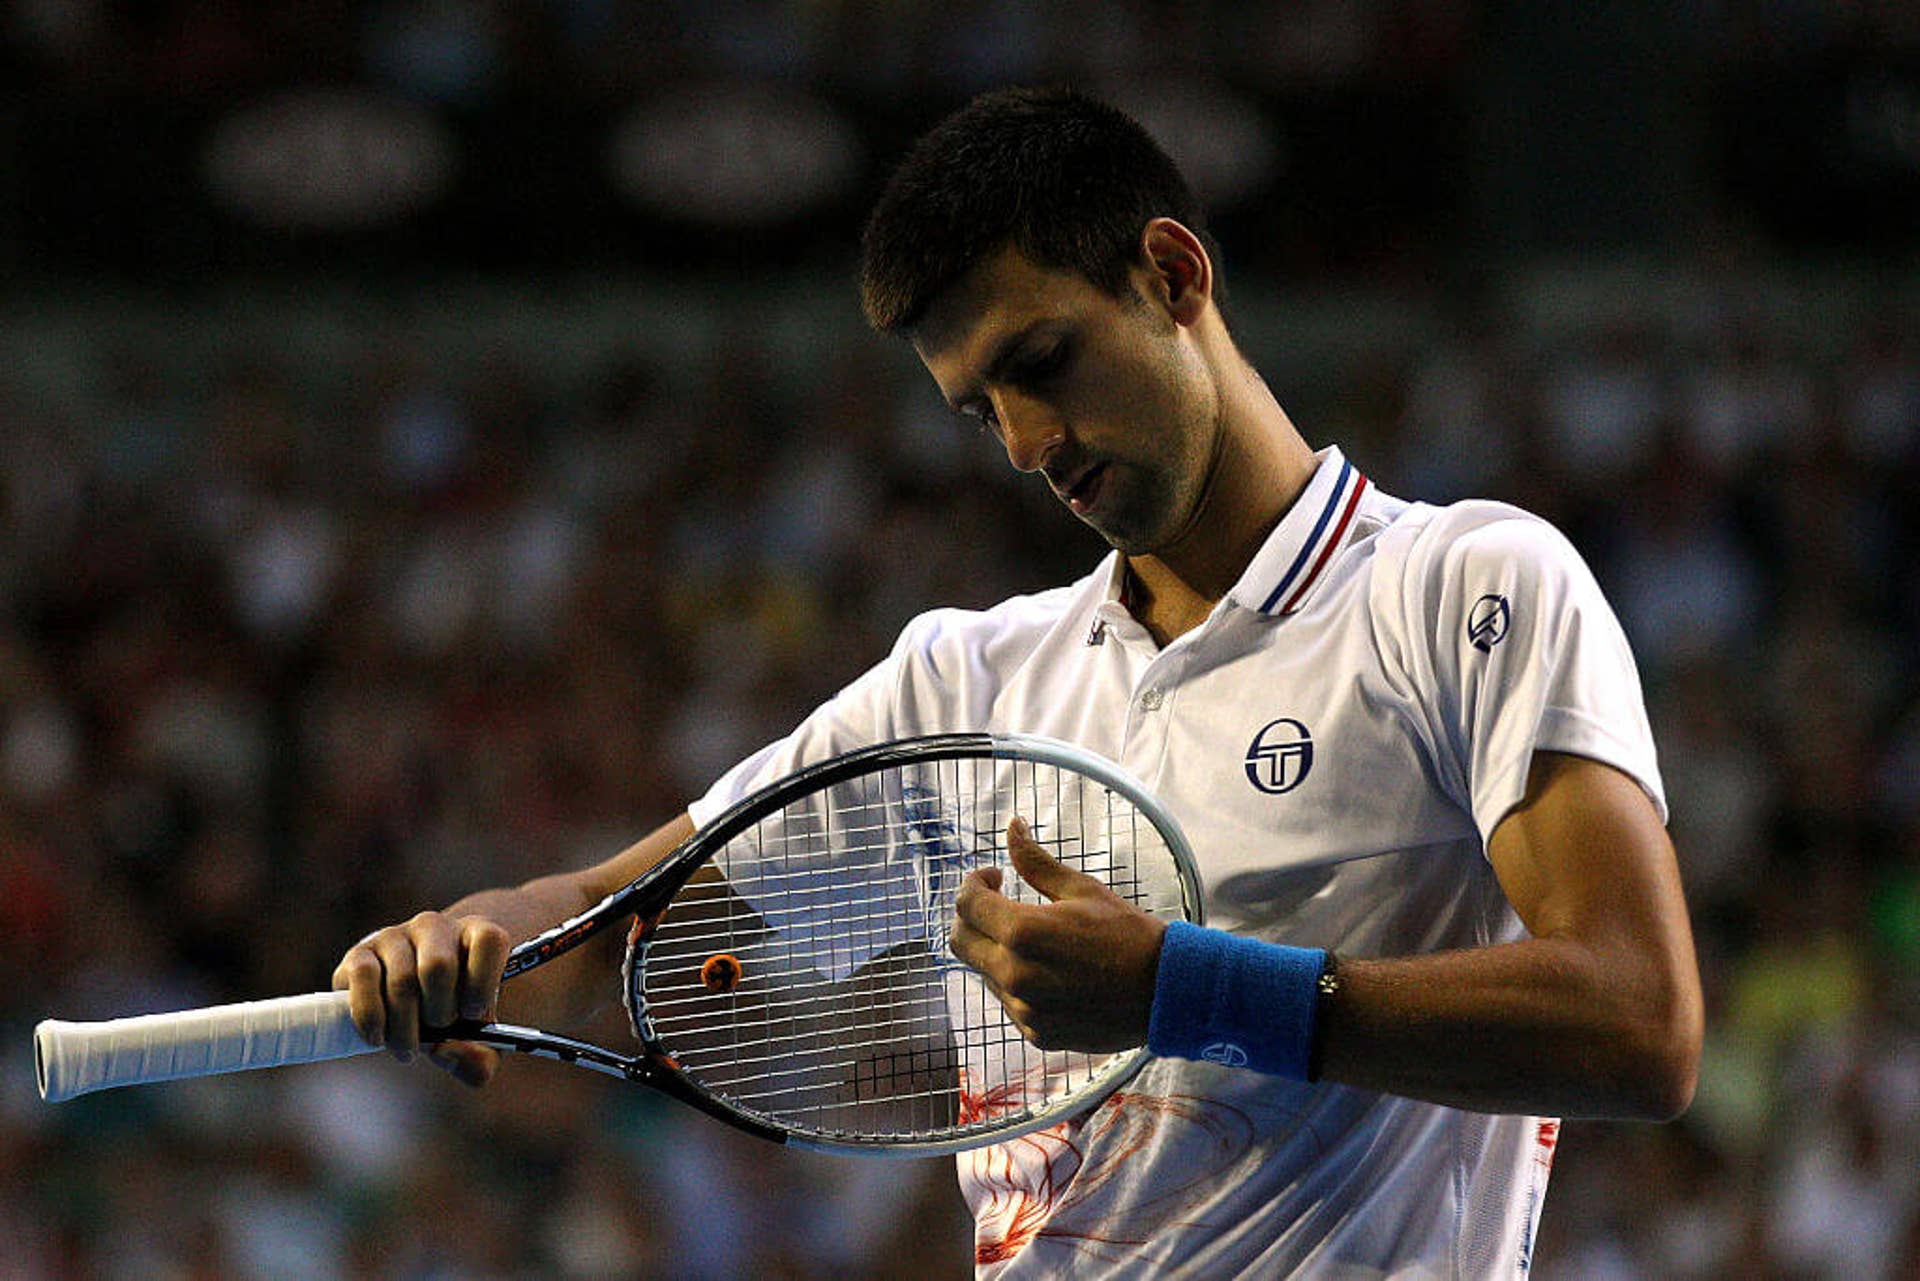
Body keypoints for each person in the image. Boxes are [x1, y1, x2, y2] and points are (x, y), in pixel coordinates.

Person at [335, 87, 1702, 1277]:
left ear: (1172, 275)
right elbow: (603, 920)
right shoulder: (963, 680)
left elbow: (1641, 1021)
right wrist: (473, 932)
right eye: (982, 407)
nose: (1027, 442)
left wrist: (1185, 988)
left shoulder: (1462, 584)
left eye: (1042, 363)